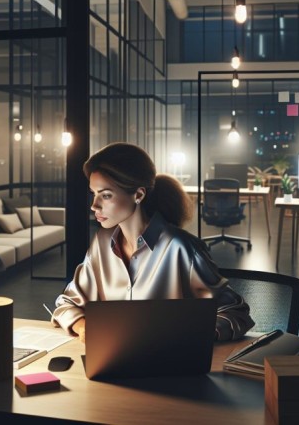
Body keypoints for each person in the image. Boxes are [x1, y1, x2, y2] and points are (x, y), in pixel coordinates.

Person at [51, 142, 255, 341]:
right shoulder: (101, 245)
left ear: (138, 195)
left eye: (105, 195)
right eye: (94, 194)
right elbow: (67, 302)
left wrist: (183, 336)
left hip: (170, 368)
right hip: (112, 364)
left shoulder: (181, 249)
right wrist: (83, 326)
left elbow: (236, 314)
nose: (94, 205)